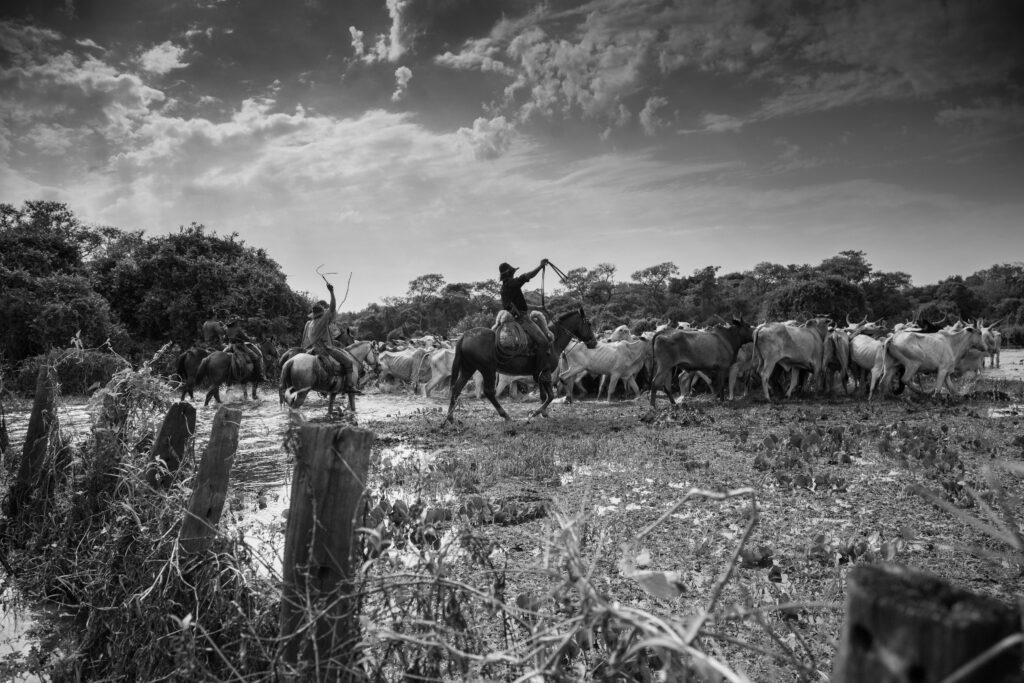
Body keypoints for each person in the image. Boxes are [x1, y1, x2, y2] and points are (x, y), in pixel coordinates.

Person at [302, 282, 360, 396]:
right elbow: (333, 307)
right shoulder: (322, 320)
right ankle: (349, 386)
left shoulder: (311, 323)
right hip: (325, 350)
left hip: (314, 349)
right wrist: (332, 292)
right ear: (321, 313)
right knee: (348, 362)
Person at [498, 259, 551, 379]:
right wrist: (540, 266)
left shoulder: (505, 287)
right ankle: (539, 373)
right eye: (512, 272)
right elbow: (528, 276)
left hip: (513, 316)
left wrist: (537, 307)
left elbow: (519, 305)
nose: (513, 274)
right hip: (522, 319)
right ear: (510, 273)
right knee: (544, 343)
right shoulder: (512, 283)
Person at [224, 316, 265, 382]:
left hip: (229, 346)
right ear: (235, 323)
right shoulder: (238, 329)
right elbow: (246, 338)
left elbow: (226, 338)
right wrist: (252, 339)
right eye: (238, 321)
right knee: (256, 358)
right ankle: (259, 375)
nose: (239, 323)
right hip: (239, 346)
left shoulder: (227, 329)